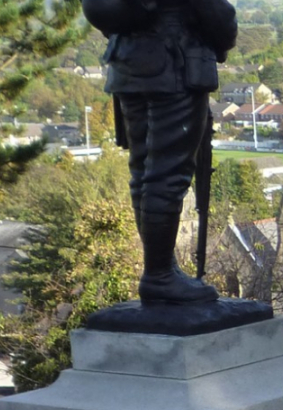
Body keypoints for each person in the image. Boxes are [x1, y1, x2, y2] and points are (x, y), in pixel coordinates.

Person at [88, 0, 237, 304]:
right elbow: (214, 11)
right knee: (167, 175)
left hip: (128, 63)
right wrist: (223, 41)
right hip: (174, 64)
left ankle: (161, 267)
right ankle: (159, 275)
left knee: (143, 171)